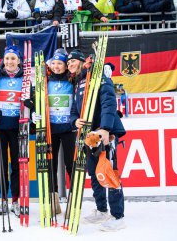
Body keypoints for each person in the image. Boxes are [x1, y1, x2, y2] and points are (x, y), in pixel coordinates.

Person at [68, 49, 126, 231]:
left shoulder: (99, 75)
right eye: (68, 63)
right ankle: (101, 209)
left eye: (73, 62)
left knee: (110, 172)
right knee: (94, 173)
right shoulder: (78, 83)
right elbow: (75, 111)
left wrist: (105, 129)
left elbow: (109, 102)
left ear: (83, 62)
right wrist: (74, 121)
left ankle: (118, 216)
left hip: (103, 133)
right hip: (88, 135)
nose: (70, 65)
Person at [0, 45, 32, 218]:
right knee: (1, 164)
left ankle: (16, 201)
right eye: (8, 58)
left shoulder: (26, 79)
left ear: (19, 61)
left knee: (18, 165)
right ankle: (4, 199)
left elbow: (32, 102)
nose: (10, 62)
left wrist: (30, 109)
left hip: (18, 127)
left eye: (14, 58)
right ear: (3, 60)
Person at [45, 49, 76, 214]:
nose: (56, 66)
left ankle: (73, 200)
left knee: (71, 164)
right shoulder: (45, 81)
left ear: (66, 66)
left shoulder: (72, 80)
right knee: (51, 164)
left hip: (69, 129)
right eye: (54, 63)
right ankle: (53, 200)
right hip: (51, 128)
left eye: (60, 63)